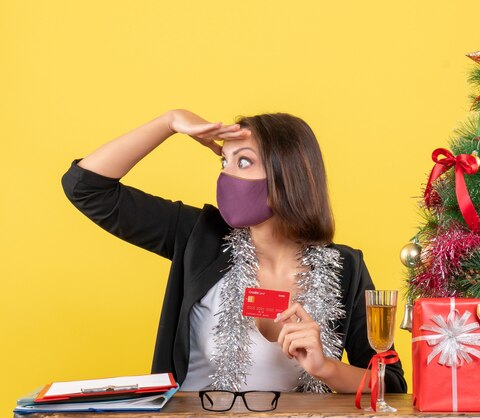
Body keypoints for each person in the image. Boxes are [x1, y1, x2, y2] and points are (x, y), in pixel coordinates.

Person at [61, 109, 407, 394]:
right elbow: (86, 188)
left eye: (243, 162)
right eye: (223, 162)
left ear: (290, 174)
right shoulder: (199, 235)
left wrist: (326, 368)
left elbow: (390, 385)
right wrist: (169, 123)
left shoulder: (344, 267)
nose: (226, 176)